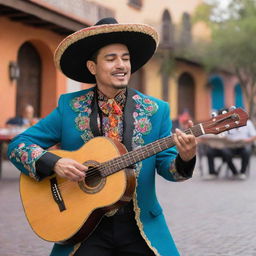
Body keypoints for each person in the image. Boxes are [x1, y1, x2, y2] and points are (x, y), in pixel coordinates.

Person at [8, 18, 197, 256]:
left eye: (125, 58)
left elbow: (170, 170)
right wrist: (55, 163)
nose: (121, 65)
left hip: (140, 227)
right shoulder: (70, 107)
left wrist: (185, 157)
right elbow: (17, 146)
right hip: (84, 227)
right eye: (111, 59)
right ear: (92, 67)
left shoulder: (157, 110)